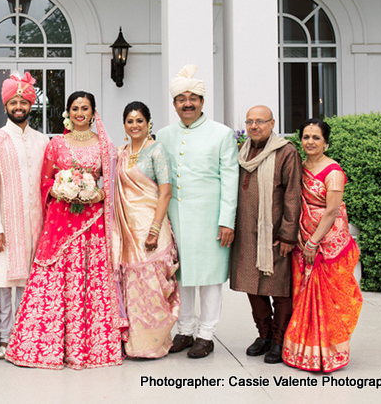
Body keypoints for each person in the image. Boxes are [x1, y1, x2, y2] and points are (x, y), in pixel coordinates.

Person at [6, 91, 126, 370]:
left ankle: (91, 348)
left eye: (85, 108)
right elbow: (45, 181)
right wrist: (60, 190)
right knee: (55, 278)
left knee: (90, 278)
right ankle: (46, 347)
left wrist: (96, 196)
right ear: (67, 113)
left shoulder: (105, 145)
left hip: (92, 223)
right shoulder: (56, 143)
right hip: (60, 222)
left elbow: (110, 183)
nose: (79, 113)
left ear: (94, 112)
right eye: (75, 108)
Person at [155, 64, 239, 359]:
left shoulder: (222, 134)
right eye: (181, 98)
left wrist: (227, 221)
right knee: (182, 276)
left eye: (193, 98)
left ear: (202, 102)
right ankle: (185, 330)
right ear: (175, 103)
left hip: (210, 218)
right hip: (175, 219)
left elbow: (231, 180)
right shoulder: (163, 135)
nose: (187, 103)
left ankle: (206, 334)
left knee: (210, 277)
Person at [283, 118, 362, 372]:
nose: (310, 142)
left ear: (326, 143)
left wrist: (313, 242)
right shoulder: (300, 166)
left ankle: (329, 353)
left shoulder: (333, 171)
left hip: (327, 244)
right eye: (306, 137)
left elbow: (331, 212)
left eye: (316, 137)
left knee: (329, 298)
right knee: (304, 293)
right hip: (302, 237)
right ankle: (303, 351)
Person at [0, 73, 49, 358]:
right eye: (14, 102)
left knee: (31, 281)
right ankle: (6, 337)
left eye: (24, 101)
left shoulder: (43, 140)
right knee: (7, 284)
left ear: (31, 105)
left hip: (36, 223)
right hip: (7, 223)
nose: (19, 106)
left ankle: (28, 333)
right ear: (6, 105)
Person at [230, 106, 302, 364]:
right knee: (252, 285)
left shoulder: (286, 152)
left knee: (279, 288)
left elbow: (293, 195)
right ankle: (265, 335)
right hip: (246, 232)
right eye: (249, 121)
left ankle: (280, 340)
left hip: (274, 234)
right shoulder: (242, 151)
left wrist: (287, 235)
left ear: (273, 123)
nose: (254, 126)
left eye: (260, 121)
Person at [112, 101, 180, 358]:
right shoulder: (120, 152)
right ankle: (134, 344)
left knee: (153, 286)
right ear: (124, 125)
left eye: (139, 120)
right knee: (132, 285)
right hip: (127, 228)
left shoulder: (157, 151)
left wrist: (154, 229)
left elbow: (165, 192)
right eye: (130, 121)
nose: (135, 125)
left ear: (148, 123)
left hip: (151, 226)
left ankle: (154, 344)